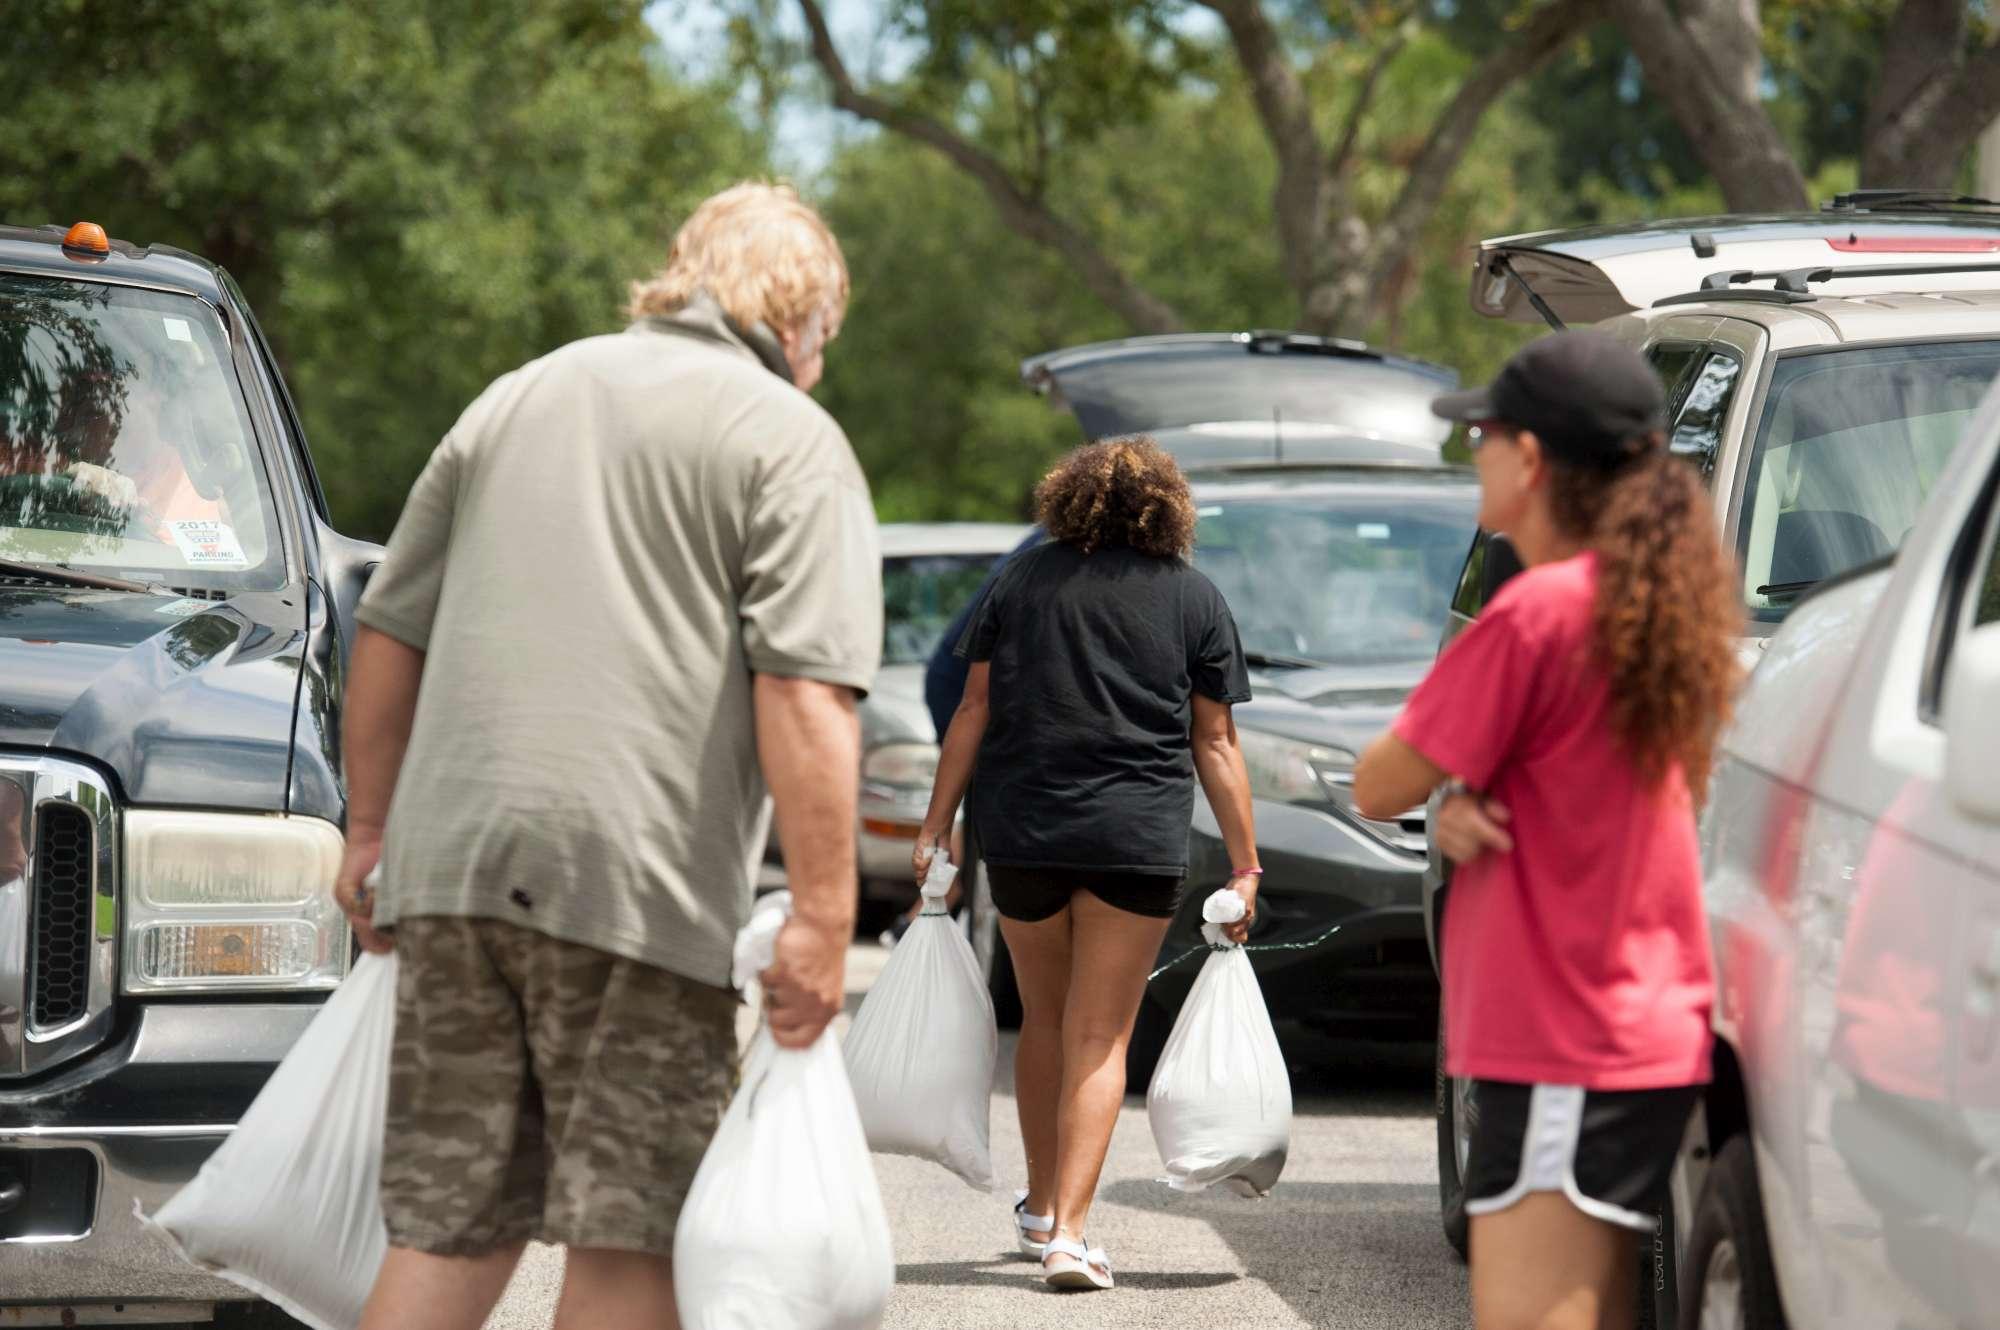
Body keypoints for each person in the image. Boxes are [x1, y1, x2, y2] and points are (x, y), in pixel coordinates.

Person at [330, 182, 881, 1330]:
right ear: (798, 323)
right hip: (633, 887)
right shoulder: (788, 439)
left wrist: (370, 829)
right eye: (824, 342)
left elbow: (389, 623)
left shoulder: (515, 397)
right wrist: (825, 920)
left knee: (451, 1227)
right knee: (630, 1240)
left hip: (453, 874)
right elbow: (804, 692)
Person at [1351, 332, 1739, 1330]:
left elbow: (1377, 780)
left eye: (1478, 435)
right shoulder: (1651, 602)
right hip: (1633, 1027)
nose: (1467, 454)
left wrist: (1448, 796)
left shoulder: (1533, 614)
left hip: (1557, 1036)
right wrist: (1470, 798)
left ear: (1528, 459)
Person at [914, 437, 1260, 1293]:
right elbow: (1214, 741)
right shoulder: (1195, 598)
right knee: (1100, 1033)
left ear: (1066, 501)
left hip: (1024, 830)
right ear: (1168, 507)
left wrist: (937, 827)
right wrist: (1245, 864)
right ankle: (1070, 1235)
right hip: (1134, 838)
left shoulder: (1020, 583)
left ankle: (1038, 1209)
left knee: (1043, 1018)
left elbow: (973, 708)